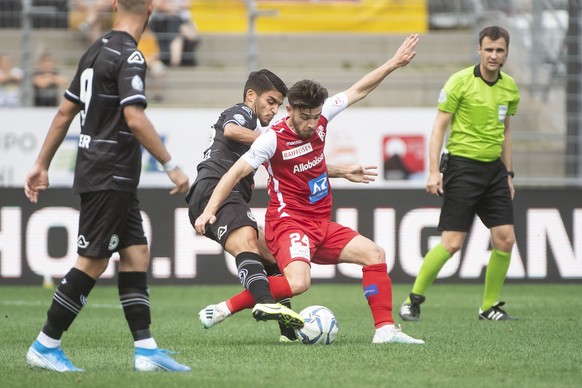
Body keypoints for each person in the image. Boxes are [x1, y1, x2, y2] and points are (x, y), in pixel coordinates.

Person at [195, 34, 425, 345]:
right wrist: (209, 210)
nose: (312, 124)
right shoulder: (271, 139)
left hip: (320, 223)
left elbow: (360, 89)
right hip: (289, 223)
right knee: (299, 283)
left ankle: (385, 330)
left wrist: (394, 63)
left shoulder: (322, 117)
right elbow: (235, 172)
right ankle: (227, 307)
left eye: (316, 117)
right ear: (290, 110)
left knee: (375, 254)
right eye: (305, 117)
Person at [24, 0, 191, 372]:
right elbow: (135, 118)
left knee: (135, 254)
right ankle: (45, 344)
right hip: (109, 173)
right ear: (150, 8)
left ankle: (146, 351)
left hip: (107, 173)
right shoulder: (130, 56)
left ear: (115, 5)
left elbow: (66, 111)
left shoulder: (96, 48)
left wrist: (40, 163)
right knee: (94, 260)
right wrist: (171, 165)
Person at [189, 69, 379, 342]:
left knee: (274, 259)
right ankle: (260, 300)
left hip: (227, 192)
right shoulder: (246, 114)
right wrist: (275, 141)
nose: (273, 110)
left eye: (278, 104)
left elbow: (300, 162)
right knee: (248, 243)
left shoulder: (290, 130)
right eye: (270, 102)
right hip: (215, 188)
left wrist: (394, 63)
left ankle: (287, 332)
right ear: (252, 96)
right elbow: (231, 131)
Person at [399, 26, 520, 322]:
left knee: (505, 239)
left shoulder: (510, 88)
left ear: (506, 52)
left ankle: (489, 306)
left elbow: (505, 131)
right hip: (462, 168)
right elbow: (439, 127)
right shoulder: (460, 81)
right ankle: (412, 300)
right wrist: (432, 171)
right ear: (479, 50)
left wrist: (508, 173)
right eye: (489, 49)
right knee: (452, 243)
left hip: (494, 172)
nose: (494, 55)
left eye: (499, 50)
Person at [149, 0, 199, 66]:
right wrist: (177, 7)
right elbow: (157, 4)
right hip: (163, 22)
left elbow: (188, 4)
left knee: (181, 34)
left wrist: (170, 7)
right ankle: (174, 60)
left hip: (179, 22)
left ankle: (175, 60)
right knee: (178, 33)